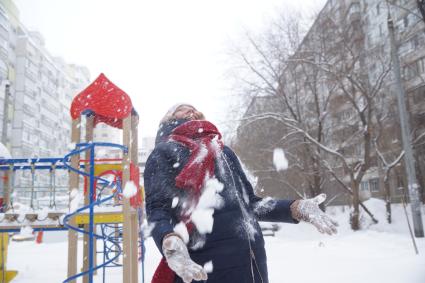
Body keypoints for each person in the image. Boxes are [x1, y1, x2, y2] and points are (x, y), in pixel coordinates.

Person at [144, 104, 338, 283]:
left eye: (194, 109)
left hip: (251, 262)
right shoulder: (164, 152)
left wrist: (295, 208)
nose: (191, 111)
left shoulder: (223, 151)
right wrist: (168, 239)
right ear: (168, 119)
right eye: (182, 109)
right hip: (204, 264)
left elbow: (250, 204)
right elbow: (158, 209)